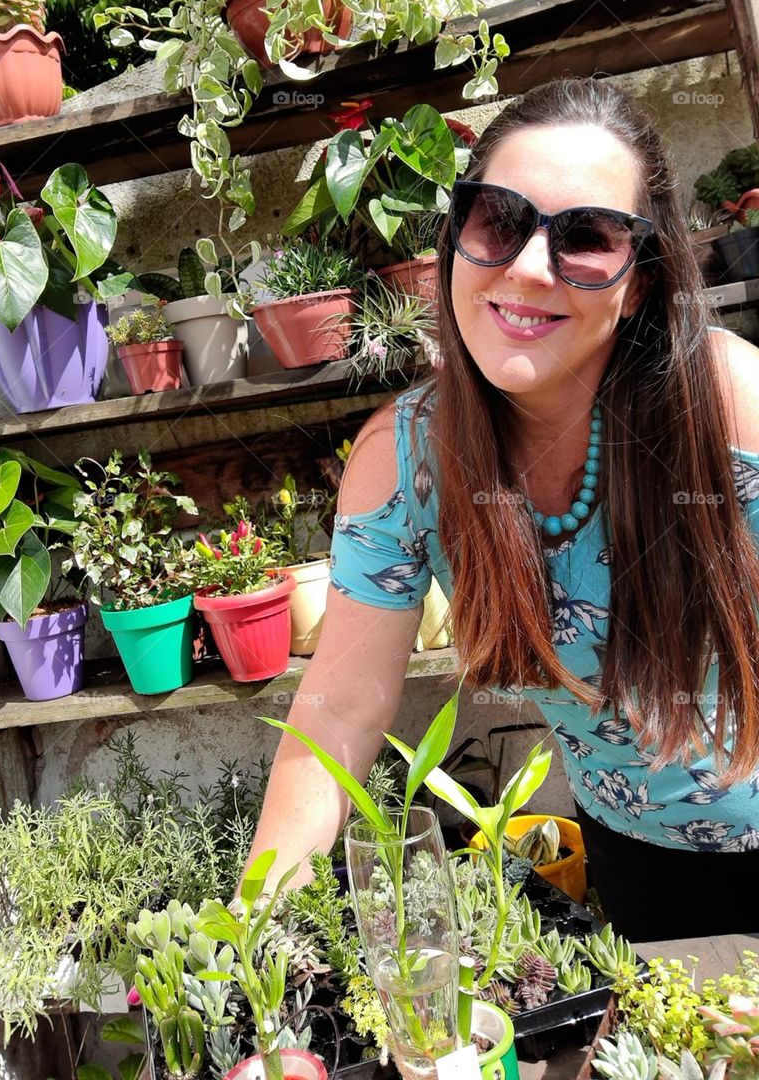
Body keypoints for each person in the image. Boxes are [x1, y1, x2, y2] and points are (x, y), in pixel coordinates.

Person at [247, 76, 759, 941]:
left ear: (638, 283)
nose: (527, 267)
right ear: (455, 240)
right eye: (499, 220)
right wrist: (255, 930)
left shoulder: (727, 402)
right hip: (636, 863)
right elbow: (340, 707)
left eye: (586, 238)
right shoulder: (406, 458)